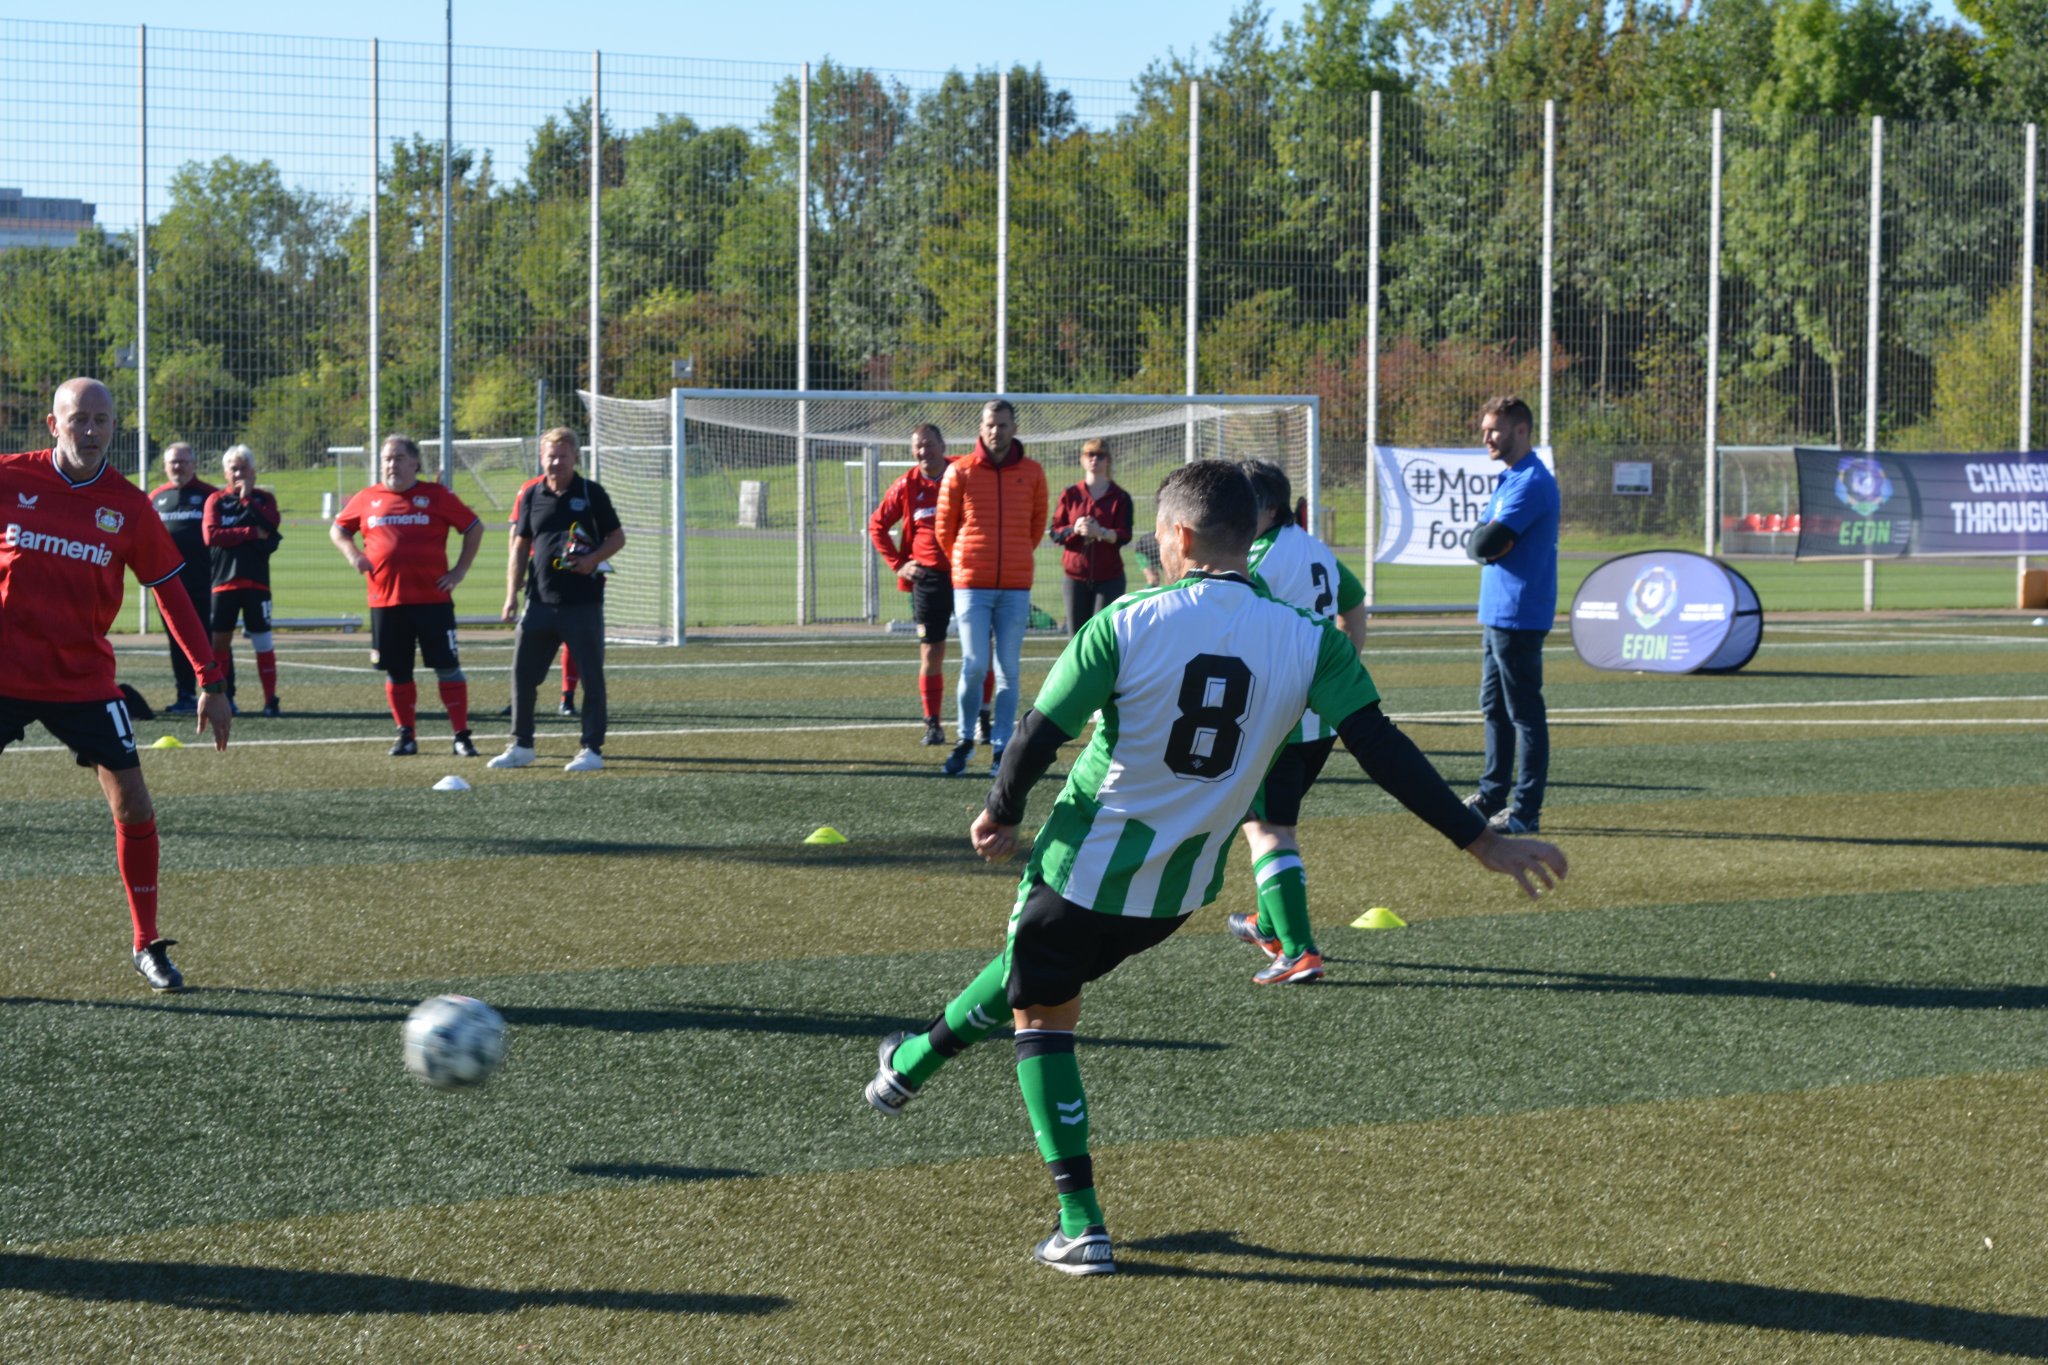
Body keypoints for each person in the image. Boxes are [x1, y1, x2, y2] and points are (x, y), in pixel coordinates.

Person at [864, 461, 1566, 1275]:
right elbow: (1381, 745)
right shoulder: (1311, 641)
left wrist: (1002, 811)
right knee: (1036, 972)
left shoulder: (1127, 620)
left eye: (1155, 537)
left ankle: (1080, 1222)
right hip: (1177, 891)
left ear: (1179, 537)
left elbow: (1036, 731)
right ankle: (910, 1065)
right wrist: (1480, 839)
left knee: (1044, 1015)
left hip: (1084, 863)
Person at [0, 377, 233, 992]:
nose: (92, 431)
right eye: (80, 419)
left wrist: (210, 678)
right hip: (4, 673)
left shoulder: (128, 505)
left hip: (83, 679)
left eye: (103, 421)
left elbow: (171, 593)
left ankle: (146, 943)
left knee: (133, 802)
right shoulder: (9, 479)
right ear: (54, 424)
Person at [1225, 459, 1370, 985]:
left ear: (1265, 508)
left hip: (1278, 721)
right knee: (1273, 821)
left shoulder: (1256, 561)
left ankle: (1300, 951)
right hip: (1319, 723)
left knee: (1267, 829)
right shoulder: (1316, 548)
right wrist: (1343, 667)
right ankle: (1269, 924)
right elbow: (1353, 607)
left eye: (1240, 503)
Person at [329, 434, 486, 757]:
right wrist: (352, 554)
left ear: (415, 463)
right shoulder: (367, 498)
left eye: (399, 458)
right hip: (386, 601)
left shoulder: (436, 495)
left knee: (448, 668)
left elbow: (474, 527)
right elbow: (338, 529)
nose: (392, 464)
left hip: (433, 601)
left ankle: (461, 735)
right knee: (398, 672)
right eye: (387, 458)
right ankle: (406, 735)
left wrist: (459, 571)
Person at [488, 427, 623, 773]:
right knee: (523, 676)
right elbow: (519, 547)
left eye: (562, 455)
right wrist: (510, 595)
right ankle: (521, 745)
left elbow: (616, 537)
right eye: (550, 455)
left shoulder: (591, 493)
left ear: (575, 457)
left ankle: (591, 749)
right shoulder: (532, 494)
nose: (555, 462)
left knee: (591, 679)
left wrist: (592, 560)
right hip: (539, 603)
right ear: (541, 457)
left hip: (582, 604)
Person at [932, 398, 1046, 777]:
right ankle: (965, 741)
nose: (996, 430)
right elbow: (944, 528)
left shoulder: (1032, 473)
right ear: (981, 428)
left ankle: (1001, 747)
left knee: (1009, 670)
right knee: (974, 664)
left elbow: (1035, 526)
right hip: (971, 585)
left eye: (1002, 424)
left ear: (1014, 427)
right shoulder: (959, 471)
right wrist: (967, 561)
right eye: (990, 424)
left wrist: (1012, 557)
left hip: (1015, 587)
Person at [1465, 395, 1560, 834]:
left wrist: (1488, 544)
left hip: (1519, 612)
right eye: (1486, 429)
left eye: (1494, 430)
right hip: (1497, 610)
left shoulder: (1531, 482)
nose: (1486, 437)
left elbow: (1485, 544)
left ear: (1521, 431)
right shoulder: (1510, 478)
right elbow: (1479, 541)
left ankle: (1525, 810)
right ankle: (1492, 793)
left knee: (1524, 711)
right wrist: (1487, 544)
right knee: (1494, 706)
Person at [868, 423, 994, 746]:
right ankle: (933, 724)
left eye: (928, 445)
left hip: (967, 574)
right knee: (931, 652)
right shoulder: (907, 485)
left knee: (980, 651)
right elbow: (877, 525)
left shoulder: (963, 473)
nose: (923, 451)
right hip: (928, 579)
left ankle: (983, 719)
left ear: (942, 444)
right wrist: (899, 564)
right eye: (918, 447)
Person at [202, 444, 284, 718]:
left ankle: (270, 700)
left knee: (263, 642)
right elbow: (212, 536)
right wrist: (250, 532)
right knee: (219, 645)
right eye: (233, 468)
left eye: (243, 468)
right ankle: (226, 699)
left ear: (253, 472)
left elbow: (272, 526)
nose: (238, 473)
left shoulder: (264, 499)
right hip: (224, 582)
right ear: (225, 472)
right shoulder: (216, 500)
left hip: (257, 583)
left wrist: (248, 501)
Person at [147, 441, 217, 715]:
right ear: (165, 466)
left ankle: (220, 693)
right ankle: (185, 694)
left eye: (183, 461)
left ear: (194, 464)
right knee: (178, 640)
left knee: (211, 640)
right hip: (169, 585)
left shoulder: (210, 495)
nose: (178, 466)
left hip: (206, 582)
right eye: (173, 462)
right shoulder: (156, 497)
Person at [1048, 438, 1134, 634]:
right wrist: (1074, 529)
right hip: (1075, 577)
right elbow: (1055, 532)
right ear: (1082, 459)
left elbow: (1125, 535)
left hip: (1109, 577)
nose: (1095, 459)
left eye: (1100, 455)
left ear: (1108, 460)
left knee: (1102, 635)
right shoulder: (1070, 494)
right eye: (1090, 455)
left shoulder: (1120, 497)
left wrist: (1101, 533)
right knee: (1076, 638)